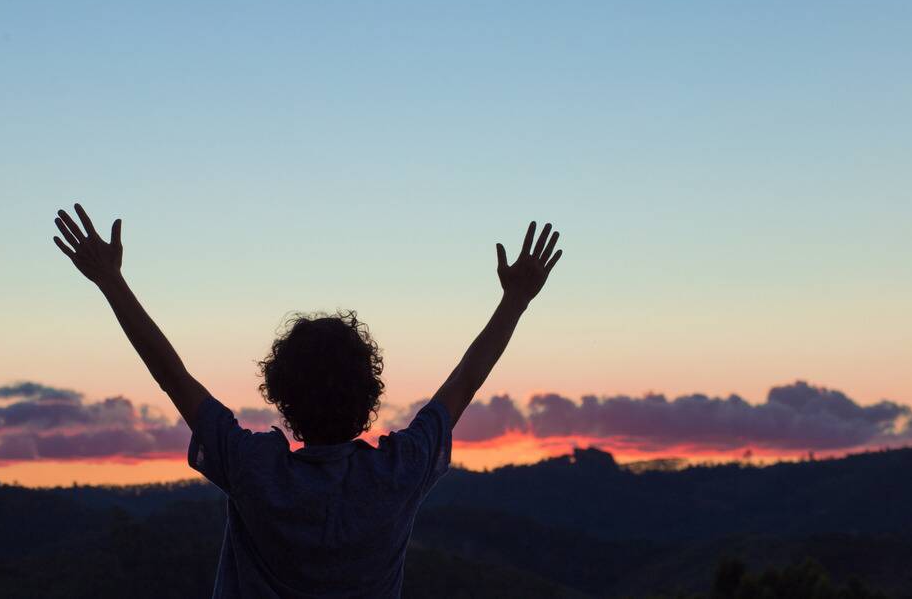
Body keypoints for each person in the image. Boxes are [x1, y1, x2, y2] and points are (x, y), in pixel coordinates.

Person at [53, 205, 562, 598]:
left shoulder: (254, 470)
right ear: (369, 392)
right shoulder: (397, 474)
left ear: (281, 395)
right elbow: (465, 383)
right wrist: (515, 300)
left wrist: (111, 282)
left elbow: (171, 376)